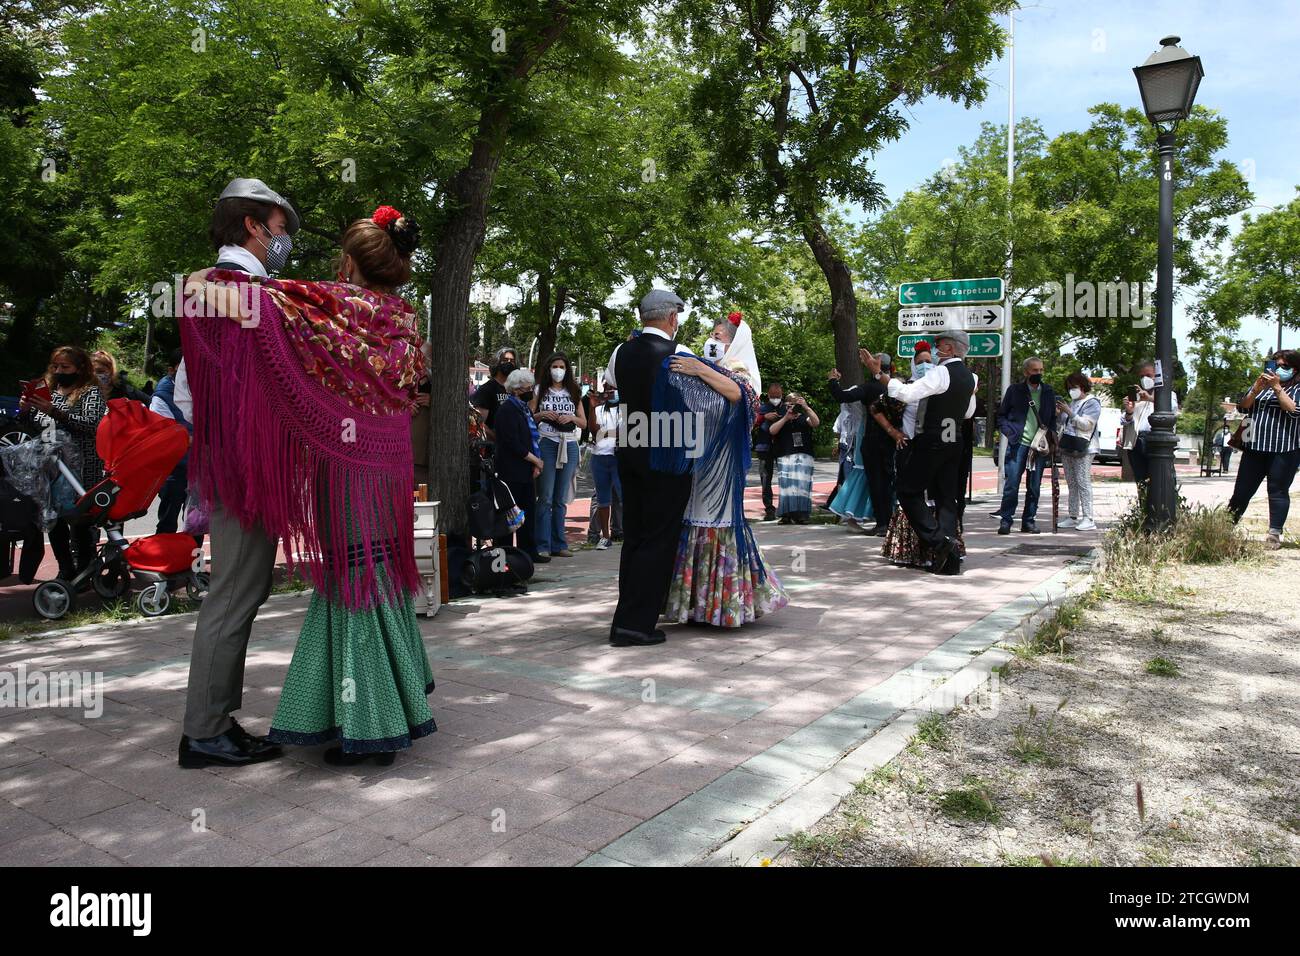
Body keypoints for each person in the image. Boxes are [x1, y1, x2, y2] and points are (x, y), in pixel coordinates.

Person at [182, 203, 434, 767]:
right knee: (379, 574)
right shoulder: (406, 318)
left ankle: (370, 727)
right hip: (387, 471)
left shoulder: (330, 303)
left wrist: (195, 282)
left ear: (348, 262)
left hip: (345, 473)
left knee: (352, 587)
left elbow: (235, 304)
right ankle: (389, 703)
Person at [175, 177, 302, 768]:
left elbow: (185, 389)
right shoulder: (240, 291)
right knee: (234, 595)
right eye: (280, 229)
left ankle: (216, 721)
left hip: (235, 458)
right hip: (246, 465)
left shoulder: (207, 288)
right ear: (252, 225)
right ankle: (204, 730)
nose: (285, 241)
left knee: (240, 592)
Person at [659, 354, 788, 626]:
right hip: (697, 464)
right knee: (693, 521)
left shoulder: (741, 380)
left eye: (720, 336)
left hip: (724, 468)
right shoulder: (699, 375)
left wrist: (701, 369)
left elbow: (738, 396)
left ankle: (724, 605)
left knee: (718, 523)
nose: (714, 343)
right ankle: (695, 604)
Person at [605, 288, 694, 647]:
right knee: (660, 537)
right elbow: (697, 397)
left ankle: (626, 616)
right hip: (669, 449)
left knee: (636, 535)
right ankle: (637, 624)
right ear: (672, 317)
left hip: (631, 444)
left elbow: (614, 385)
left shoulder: (620, 351)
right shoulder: (680, 353)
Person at [868, 329, 976, 575]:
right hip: (954, 441)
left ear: (950, 348)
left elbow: (906, 393)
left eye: (939, 345)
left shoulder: (942, 372)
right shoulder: (971, 377)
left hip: (933, 440)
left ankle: (940, 542)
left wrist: (878, 374)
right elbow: (968, 413)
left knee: (908, 491)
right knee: (946, 498)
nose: (936, 351)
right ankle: (950, 560)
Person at [18, 346, 107, 581]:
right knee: (54, 520)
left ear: (80, 368)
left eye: (65, 367)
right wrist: (26, 411)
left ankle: (85, 569)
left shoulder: (90, 392)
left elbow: (91, 424)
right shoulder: (50, 391)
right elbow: (38, 428)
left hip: (82, 469)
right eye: (56, 366)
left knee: (80, 521)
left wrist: (56, 412)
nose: (59, 371)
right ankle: (65, 567)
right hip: (52, 468)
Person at [1228, 350, 1300, 549]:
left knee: (1277, 491)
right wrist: (1255, 391)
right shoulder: (1260, 386)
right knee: (1241, 491)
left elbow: (1294, 411)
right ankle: (1225, 527)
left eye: (1284, 366)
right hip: (1254, 448)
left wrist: (1277, 387)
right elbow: (1242, 407)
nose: (1278, 369)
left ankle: (1274, 534)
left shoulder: (1297, 388)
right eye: (1275, 364)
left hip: (1284, 449)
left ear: (1295, 369)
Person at [827, 352, 895, 534]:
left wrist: (833, 380)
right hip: (895, 440)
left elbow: (841, 396)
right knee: (890, 483)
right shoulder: (898, 387)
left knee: (876, 483)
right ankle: (892, 521)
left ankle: (882, 523)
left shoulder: (869, 388)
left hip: (873, 440)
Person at [993, 356, 1058, 535]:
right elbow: (1001, 415)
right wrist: (1011, 433)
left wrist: (1050, 438)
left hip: (1038, 447)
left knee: (1034, 486)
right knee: (1012, 484)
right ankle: (1006, 521)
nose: (1038, 373)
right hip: (1018, 444)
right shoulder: (1015, 391)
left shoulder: (1048, 391)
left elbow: (1052, 418)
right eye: (1034, 370)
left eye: (1041, 370)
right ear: (1026, 372)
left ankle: (1029, 521)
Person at [531, 352, 586, 559]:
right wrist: (543, 415)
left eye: (562, 366)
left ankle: (559, 543)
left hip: (569, 444)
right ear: (548, 369)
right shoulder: (540, 390)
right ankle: (543, 544)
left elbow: (583, 422)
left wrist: (570, 416)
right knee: (545, 496)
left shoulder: (573, 391)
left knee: (560, 499)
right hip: (547, 443)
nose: (558, 370)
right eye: (555, 366)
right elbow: (530, 416)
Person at [494, 368, 544, 560]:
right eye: (527, 388)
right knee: (509, 515)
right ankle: (506, 554)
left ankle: (529, 551)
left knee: (527, 513)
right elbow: (512, 442)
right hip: (511, 470)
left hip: (526, 470)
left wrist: (535, 464)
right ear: (516, 390)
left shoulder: (524, 410)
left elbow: (531, 437)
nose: (530, 391)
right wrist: (535, 460)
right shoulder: (507, 410)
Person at [148, 347, 191, 534]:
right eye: (184, 368)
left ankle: (191, 561)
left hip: (198, 468)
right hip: (174, 469)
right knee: (168, 519)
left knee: (194, 522)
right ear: (172, 370)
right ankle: (167, 559)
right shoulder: (162, 396)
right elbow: (165, 436)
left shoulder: (202, 389)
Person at [1121, 359, 1180, 488]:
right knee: (1141, 481)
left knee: (1162, 481)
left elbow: (1173, 407)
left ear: (1156, 377)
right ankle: (1143, 505)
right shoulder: (1137, 398)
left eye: (1148, 375)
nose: (1144, 379)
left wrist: (1149, 398)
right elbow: (1125, 421)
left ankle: (1165, 506)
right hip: (1136, 441)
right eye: (1142, 376)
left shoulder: (1168, 395)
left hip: (1156, 441)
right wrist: (1129, 411)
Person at [1055, 372, 1101, 531]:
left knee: (1083, 482)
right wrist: (1060, 413)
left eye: (1073, 387)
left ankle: (1089, 517)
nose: (1071, 391)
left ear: (1082, 386)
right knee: (1071, 482)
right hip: (1068, 445)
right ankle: (1073, 516)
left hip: (1085, 447)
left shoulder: (1092, 402)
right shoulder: (1072, 403)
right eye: (1069, 388)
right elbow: (1064, 423)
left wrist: (1069, 412)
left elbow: (1086, 424)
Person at [768, 391, 820, 524]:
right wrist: (786, 417)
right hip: (785, 454)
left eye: (794, 404)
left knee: (802, 485)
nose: (792, 407)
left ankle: (802, 515)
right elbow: (772, 430)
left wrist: (806, 407)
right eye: (789, 404)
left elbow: (816, 422)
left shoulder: (804, 417)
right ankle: (786, 514)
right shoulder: (781, 417)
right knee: (786, 486)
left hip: (804, 454)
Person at [588, 386, 622, 550]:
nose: (610, 392)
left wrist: (605, 432)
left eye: (613, 389)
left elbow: (626, 431)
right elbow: (595, 431)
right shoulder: (599, 408)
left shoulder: (626, 409)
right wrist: (592, 407)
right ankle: (605, 536)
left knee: (623, 497)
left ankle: (626, 532)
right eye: (607, 389)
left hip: (618, 457)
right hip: (600, 457)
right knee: (603, 500)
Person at [471, 346, 519, 439]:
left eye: (512, 361)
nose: (508, 363)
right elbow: (479, 422)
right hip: (493, 447)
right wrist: (497, 439)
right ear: (497, 363)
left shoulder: (515, 389)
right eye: (505, 360)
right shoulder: (487, 389)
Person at [753, 381, 783, 520]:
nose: (775, 398)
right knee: (765, 478)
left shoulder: (786, 408)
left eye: (778, 395)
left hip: (783, 447)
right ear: (768, 395)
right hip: (764, 447)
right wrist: (764, 417)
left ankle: (786, 508)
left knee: (785, 478)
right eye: (773, 395)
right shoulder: (761, 409)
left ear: (781, 394)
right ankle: (769, 509)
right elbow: (752, 421)